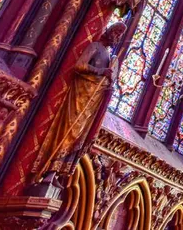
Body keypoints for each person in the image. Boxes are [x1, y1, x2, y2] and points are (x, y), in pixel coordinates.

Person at [30, 21, 127, 187]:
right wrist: (100, 72)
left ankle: (56, 173)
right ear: (109, 31)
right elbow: (80, 65)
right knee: (69, 130)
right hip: (80, 95)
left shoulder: (109, 55)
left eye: (120, 35)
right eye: (116, 32)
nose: (117, 37)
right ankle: (47, 169)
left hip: (93, 100)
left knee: (79, 137)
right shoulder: (95, 47)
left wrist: (109, 78)